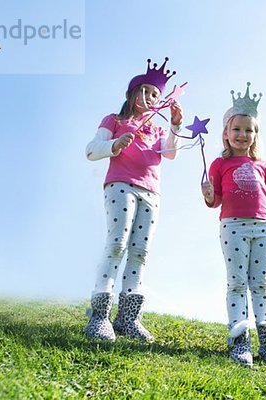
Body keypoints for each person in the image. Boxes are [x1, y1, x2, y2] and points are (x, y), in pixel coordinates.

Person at [84, 57, 183, 342]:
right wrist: (114, 145)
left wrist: (176, 125)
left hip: (151, 192)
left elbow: (171, 153)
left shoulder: (159, 128)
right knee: (117, 243)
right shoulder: (114, 121)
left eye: (156, 95)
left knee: (140, 251)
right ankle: (100, 315)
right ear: (131, 93)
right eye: (145, 91)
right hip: (121, 186)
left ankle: (128, 319)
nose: (151, 97)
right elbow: (91, 150)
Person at [202, 83, 266, 367]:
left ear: (255, 135)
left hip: (262, 227)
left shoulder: (262, 166)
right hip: (233, 226)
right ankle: (240, 342)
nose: (242, 135)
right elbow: (215, 201)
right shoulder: (219, 164)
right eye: (236, 129)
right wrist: (208, 195)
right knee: (237, 283)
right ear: (226, 134)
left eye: (248, 130)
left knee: (260, 283)